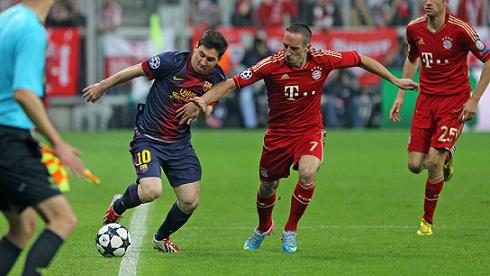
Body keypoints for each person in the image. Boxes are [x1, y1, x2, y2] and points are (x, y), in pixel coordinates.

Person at [178, 23, 418, 253]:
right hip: (278, 135)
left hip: (309, 131)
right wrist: (203, 99)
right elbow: (232, 84)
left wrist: (395, 80)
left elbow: (360, 58)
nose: (287, 52)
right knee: (267, 186)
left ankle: (290, 229)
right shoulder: (271, 64)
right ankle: (264, 226)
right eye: (285, 46)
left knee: (307, 173)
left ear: (307, 47)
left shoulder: (323, 60)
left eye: (293, 48)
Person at [82, 30, 228, 253]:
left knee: (190, 201)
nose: (203, 62)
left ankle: (161, 238)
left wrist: (201, 108)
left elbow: (207, 115)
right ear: (196, 47)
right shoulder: (171, 61)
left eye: (211, 59)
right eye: (201, 54)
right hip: (148, 139)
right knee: (151, 190)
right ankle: (118, 205)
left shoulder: (217, 79)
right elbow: (134, 71)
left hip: (180, 144)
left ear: (218, 59)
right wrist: (102, 86)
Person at [389, 0, 490, 236]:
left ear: (445, 2)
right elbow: (412, 58)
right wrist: (401, 95)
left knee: (433, 161)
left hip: (454, 101)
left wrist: (474, 99)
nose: (428, 2)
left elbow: (488, 59)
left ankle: (426, 221)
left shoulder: (460, 30)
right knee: (415, 166)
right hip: (426, 100)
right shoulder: (414, 28)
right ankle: (447, 156)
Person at [0, 1, 86, 275]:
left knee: (22, 228)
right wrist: (58, 143)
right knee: (63, 219)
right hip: (9, 140)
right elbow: (23, 93)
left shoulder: (7, 19)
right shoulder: (31, 28)